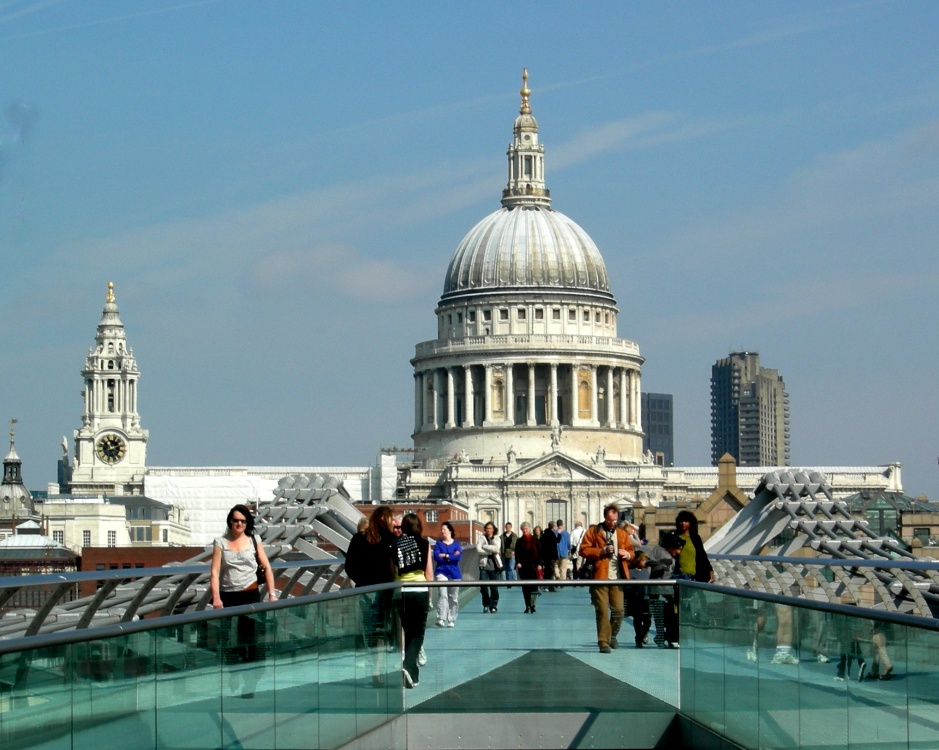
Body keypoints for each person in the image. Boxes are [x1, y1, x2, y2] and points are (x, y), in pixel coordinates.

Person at [210, 504, 277, 698]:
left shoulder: (254, 540)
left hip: (250, 594)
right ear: (230, 522)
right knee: (228, 640)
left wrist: (272, 595)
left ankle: (250, 682)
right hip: (228, 596)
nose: (239, 524)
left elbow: (267, 567)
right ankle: (233, 675)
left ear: (246, 523)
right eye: (235, 520)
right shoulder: (220, 542)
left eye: (242, 521)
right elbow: (214, 572)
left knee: (250, 640)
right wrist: (216, 597)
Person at [344, 507, 396, 685]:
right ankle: (377, 668)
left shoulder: (358, 538)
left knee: (369, 630)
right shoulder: (391, 540)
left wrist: (361, 580)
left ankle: (373, 665)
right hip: (385, 590)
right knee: (381, 630)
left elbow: (349, 566)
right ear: (387, 520)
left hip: (364, 590)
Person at [580, 504, 635, 653]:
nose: (612, 523)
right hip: (600, 577)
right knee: (602, 611)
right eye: (610, 520)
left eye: (615, 520)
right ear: (605, 517)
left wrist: (628, 555)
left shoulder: (622, 533)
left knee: (619, 611)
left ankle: (612, 636)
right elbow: (583, 550)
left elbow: (632, 551)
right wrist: (600, 551)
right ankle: (603, 642)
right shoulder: (593, 531)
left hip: (617, 577)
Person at [393, 512, 433, 689]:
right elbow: (428, 573)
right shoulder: (425, 544)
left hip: (400, 591)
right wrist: (429, 596)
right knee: (417, 633)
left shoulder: (394, 545)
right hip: (419, 590)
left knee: (406, 629)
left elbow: (391, 570)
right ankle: (408, 666)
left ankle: (412, 674)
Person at [630, 532, 682, 648]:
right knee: (659, 616)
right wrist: (661, 563)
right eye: (677, 549)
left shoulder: (673, 557)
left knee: (671, 615)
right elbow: (648, 562)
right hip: (656, 589)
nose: (678, 552)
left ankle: (669, 637)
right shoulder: (658, 550)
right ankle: (660, 636)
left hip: (668, 590)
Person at [433, 521, 462, 628]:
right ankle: (441, 618)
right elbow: (436, 557)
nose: (442, 531)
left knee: (453, 597)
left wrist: (444, 556)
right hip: (441, 572)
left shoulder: (456, 544)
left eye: (444, 529)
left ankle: (452, 619)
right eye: (441, 529)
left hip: (455, 573)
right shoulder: (438, 544)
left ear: (450, 530)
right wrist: (449, 555)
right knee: (443, 595)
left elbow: (458, 557)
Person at [674, 510, 714, 583]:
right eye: (681, 521)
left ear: (690, 523)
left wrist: (710, 570)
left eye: (686, 521)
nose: (683, 523)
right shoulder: (674, 537)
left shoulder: (695, 538)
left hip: (695, 576)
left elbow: (702, 556)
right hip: (679, 576)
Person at [514, 521, 542, 613]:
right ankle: (527, 606)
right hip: (524, 567)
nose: (524, 530)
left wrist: (539, 564)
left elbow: (540, 552)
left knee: (534, 587)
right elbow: (517, 554)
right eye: (523, 529)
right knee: (525, 588)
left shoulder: (535, 539)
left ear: (529, 529)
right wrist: (518, 562)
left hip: (533, 567)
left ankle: (533, 605)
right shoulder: (519, 541)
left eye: (526, 528)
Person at [477, 521, 503, 613]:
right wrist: (490, 551)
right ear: (485, 529)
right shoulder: (481, 538)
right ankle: (486, 604)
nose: (488, 530)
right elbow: (478, 550)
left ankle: (494, 605)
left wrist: (484, 546)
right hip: (483, 565)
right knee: (483, 587)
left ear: (493, 529)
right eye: (487, 528)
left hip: (494, 566)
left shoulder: (497, 538)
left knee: (494, 588)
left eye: (490, 528)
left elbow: (497, 549)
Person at [541, 521, 560, 590]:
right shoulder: (551, 534)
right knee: (550, 570)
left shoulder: (545, 534)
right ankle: (549, 585)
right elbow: (556, 541)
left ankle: (546, 585)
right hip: (551, 555)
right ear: (553, 527)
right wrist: (559, 534)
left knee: (547, 570)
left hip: (546, 556)